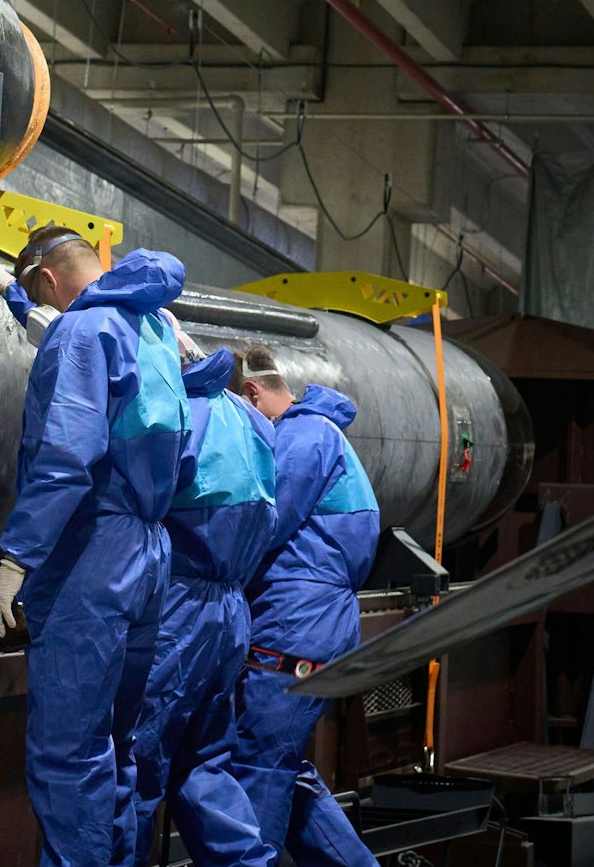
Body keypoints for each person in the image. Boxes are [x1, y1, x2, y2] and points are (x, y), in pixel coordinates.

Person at [0, 226, 190, 867]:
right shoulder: (152, 330)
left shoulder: (82, 332)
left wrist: (15, 562)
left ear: (47, 280)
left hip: (93, 555)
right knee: (115, 751)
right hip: (148, 556)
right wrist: (17, 303)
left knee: (70, 756)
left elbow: (67, 457)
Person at [129, 341, 277, 867]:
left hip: (178, 612)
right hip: (231, 613)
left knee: (137, 761)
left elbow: (131, 510)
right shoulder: (253, 420)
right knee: (205, 762)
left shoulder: (180, 414)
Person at [232, 345, 379, 866]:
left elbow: (259, 524)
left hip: (292, 630)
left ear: (252, 396)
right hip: (311, 627)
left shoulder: (301, 437)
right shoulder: (321, 433)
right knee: (286, 772)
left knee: (260, 770)